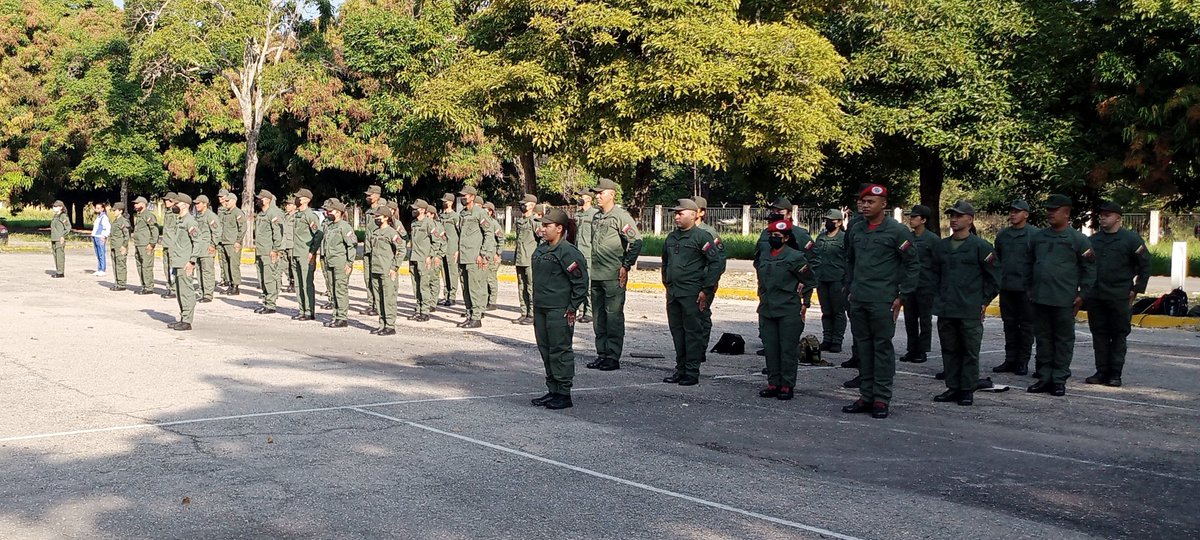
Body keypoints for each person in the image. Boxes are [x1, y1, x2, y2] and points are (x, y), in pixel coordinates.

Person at [841, 184, 920, 419]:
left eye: (870, 202)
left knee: (882, 349)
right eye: (862, 202)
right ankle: (866, 395)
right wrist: (850, 288)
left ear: (883, 204)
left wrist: (901, 294)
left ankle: (881, 399)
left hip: (883, 300)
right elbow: (851, 262)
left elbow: (912, 264)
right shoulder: (856, 230)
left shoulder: (897, 232)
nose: (865, 206)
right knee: (863, 350)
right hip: (860, 298)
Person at [930, 201, 1000, 406]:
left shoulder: (980, 247)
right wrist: (937, 298)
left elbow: (994, 278)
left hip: (969, 308)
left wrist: (983, 301)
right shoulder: (942, 246)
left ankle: (967, 389)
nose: (954, 219)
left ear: (970, 220)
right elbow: (934, 275)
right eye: (952, 215)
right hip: (947, 307)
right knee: (949, 349)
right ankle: (953, 387)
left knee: (969, 351)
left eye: (959, 216)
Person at [1026, 194, 1096, 396]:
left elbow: (1090, 269)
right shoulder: (1038, 237)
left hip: (1064, 299)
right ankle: (1044, 376)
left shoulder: (1078, 240)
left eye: (1054, 210)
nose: (1049, 213)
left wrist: (1083, 294)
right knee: (1043, 339)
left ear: (1066, 213)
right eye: (1048, 209)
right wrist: (1029, 287)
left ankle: (1058, 379)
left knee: (1063, 340)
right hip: (1040, 297)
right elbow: (1028, 263)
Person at [529, 207, 590, 410]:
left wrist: (572, 307)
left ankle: (564, 393)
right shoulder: (542, 249)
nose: (543, 229)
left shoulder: (567, 252)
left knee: (560, 350)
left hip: (559, 310)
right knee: (545, 350)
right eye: (542, 225)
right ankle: (552, 389)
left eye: (547, 226)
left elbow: (580, 283)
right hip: (541, 308)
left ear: (559, 228)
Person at [1085, 201, 1150, 387]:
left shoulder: (1131, 240)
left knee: (1118, 334)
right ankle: (1101, 371)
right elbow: (1085, 266)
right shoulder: (1093, 240)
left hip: (1119, 295)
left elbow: (1145, 264)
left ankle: (1115, 374)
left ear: (1118, 218)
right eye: (1101, 215)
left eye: (1107, 215)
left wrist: (1136, 289)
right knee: (1099, 334)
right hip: (1097, 295)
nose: (1103, 218)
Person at [660, 199, 726, 386]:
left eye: (681, 213)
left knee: (693, 332)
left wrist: (706, 288)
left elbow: (715, 262)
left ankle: (691, 371)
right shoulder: (671, 237)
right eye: (676, 213)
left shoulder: (701, 237)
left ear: (693, 214)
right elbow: (665, 261)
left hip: (692, 292)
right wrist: (666, 281)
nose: (677, 216)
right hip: (674, 292)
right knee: (677, 332)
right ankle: (680, 369)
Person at [585, 178, 643, 371]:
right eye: (597, 193)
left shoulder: (620, 216)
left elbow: (636, 241)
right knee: (598, 316)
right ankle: (601, 353)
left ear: (612, 194)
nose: (597, 196)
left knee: (613, 316)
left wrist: (626, 265)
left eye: (601, 193)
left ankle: (613, 355)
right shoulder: (597, 216)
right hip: (597, 273)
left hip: (613, 274)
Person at [756, 220, 815, 400]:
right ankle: (773, 382)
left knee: (787, 349)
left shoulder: (795, 256)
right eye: (771, 236)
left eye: (778, 237)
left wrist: (804, 302)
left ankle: (787, 385)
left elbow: (809, 280)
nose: (773, 239)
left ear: (787, 238)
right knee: (771, 347)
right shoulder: (765, 254)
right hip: (767, 308)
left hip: (788, 308)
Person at [753, 197, 815, 359]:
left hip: (789, 292)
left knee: (787, 335)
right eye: (773, 211)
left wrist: (804, 288)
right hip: (768, 289)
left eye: (779, 212)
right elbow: (758, 258)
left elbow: (813, 262)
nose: (775, 214)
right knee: (769, 330)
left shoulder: (799, 234)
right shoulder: (765, 234)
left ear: (789, 214)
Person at [992, 200, 1039, 375]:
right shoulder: (1003, 235)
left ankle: (1023, 361)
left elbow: (1037, 261)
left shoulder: (1034, 234)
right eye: (1011, 211)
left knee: (1026, 326)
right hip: (1006, 287)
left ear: (1026, 214)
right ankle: (1010, 359)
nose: (1013, 214)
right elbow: (998, 258)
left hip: (1026, 288)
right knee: (1009, 325)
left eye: (1017, 211)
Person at [901, 205, 939, 364]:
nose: (911, 219)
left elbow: (937, 263)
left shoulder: (932, 239)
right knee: (909, 318)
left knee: (924, 319)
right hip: (910, 284)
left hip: (925, 285)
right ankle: (912, 348)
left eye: (914, 217)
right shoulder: (908, 238)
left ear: (923, 220)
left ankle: (922, 350)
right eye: (910, 217)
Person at [691, 195, 727, 362]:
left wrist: (708, 284)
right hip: (688, 283)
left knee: (702, 315)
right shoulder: (685, 231)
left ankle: (700, 350)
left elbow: (718, 261)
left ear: (701, 212)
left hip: (704, 283)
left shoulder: (709, 233)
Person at [456, 185, 497, 328]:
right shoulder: (462, 214)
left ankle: (476, 317)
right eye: (461, 196)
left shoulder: (479, 213)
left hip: (475, 257)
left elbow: (489, 234)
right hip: (464, 256)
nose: (463, 198)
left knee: (475, 287)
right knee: (466, 288)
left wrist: (483, 254)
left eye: (465, 196)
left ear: (472, 197)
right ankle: (469, 314)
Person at [813, 209, 848, 353]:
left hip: (837, 280)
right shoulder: (821, 238)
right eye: (826, 220)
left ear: (839, 222)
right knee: (826, 311)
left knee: (838, 312)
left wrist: (847, 282)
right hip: (822, 279)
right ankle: (827, 339)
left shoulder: (844, 238)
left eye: (831, 220)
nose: (828, 223)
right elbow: (815, 259)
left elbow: (849, 260)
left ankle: (837, 341)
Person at [168, 194, 203, 331]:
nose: (174, 205)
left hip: (185, 263)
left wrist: (192, 261)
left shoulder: (190, 222)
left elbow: (197, 242)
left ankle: (187, 321)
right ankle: (183, 318)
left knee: (186, 292)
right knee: (178, 292)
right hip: (177, 261)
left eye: (177, 203)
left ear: (185, 205)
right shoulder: (180, 221)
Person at [321, 200, 356, 328]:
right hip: (329, 262)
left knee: (340, 290)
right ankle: (335, 316)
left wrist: (349, 262)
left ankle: (342, 317)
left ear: (338, 212)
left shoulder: (344, 226)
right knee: (333, 290)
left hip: (341, 263)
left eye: (330, 211)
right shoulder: (330, 226)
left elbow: (352, 245)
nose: (327, 213)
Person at [366, 208, 402, 335]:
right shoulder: (375, 232)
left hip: (387, 270)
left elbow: (401, 249)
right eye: (375, 216)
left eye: (378, 216)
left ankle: (390, 325)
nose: (376, 218)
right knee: (378, 299)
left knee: (388, 298)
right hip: (375, 269)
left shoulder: (392, 233)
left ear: (386, 217)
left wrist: (394, 267)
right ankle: (382, 324)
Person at [407, 199, 443, 322]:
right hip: (414, 258)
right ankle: (418, 310)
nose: (413, 210)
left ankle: (425, 311)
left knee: (424, 286)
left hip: (424, 259)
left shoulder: (429, 223)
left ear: (422, 210)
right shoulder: (413, 223)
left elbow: (437, 241)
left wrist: (430, 255)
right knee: (416, 286)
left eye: (415, 209)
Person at [254, 190, 287, 315]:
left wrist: (275, 249)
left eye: (260, 198)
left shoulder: (273, 213)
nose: (258, 200)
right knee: (262, 279)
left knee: (269, 278)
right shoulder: (262, 214)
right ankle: (266, 302)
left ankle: (271, 304)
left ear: (267, 200)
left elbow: (278, 233)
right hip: (260, 251)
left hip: (269, 252)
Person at [291, 189, 322, 321]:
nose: (297, 200)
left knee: (306, 283)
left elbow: (318, 234)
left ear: (307, 200)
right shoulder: (297, 215)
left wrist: (312, 251)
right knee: (298, 283)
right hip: (295, 252)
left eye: (300, 198)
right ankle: (302, 309)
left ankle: (309, 311)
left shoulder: (310, 215)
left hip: (305, 253)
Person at [514, 194, 540, 324]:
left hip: (530, 259)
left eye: (525, 204)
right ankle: (524, 312)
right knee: (521, 286)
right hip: (520, 258)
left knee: (531, 287)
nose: (522, 206)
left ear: (532, 205)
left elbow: (542, 239)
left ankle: (532, 313)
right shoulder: (520, 221)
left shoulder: (534, 222)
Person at [361, 185, 386, 316]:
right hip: (368, 249)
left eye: (370, 195)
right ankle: (371, 304)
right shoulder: (369, 211)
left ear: (377, 195)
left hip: (378, 250)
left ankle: (378, 305)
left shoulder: (382, 211)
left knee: (377, 279)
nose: (368, 197)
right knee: (368, 278)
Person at [574, 190, 598, 323]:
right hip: (578, 252)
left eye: (582, 197)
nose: (579, 199)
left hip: (589, 253)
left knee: (588, 283)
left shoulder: (595, 214)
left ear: (589, 199)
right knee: (579, 282)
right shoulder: (578, 214)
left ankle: (589, 311)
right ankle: (581, 309)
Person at [217, 190, 247, 295]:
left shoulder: (237, 213)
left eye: (227, 201)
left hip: (232, 243)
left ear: (234, 201)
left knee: (233, 264)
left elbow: (242, 228)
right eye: (225, 201)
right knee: (226, 264)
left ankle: (235, 286)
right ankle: (229, 283)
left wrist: (238, 241)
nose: (225, 202)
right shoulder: (225, 213)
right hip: (224, 241)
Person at [193, 195, 222, 303]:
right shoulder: (198, 216)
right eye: (195, 204)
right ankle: (202, 292)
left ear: (205, 204)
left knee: (207, 271)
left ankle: (208, 294)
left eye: (198, 203)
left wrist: (213, 244)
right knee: (199, 271)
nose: (196, 205)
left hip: (207, 248)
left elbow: (217, 231)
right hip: (198, 248)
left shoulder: (210, 216)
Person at [131, 196, 159, 294]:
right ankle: (143, 285)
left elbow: (154, 230)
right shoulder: (139, 215)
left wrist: (152, 243)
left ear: (143, 204)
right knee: (140, 265)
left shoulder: (148, 215)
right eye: (135, 203)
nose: (135, 205)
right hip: (138, 244)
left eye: (137, 203)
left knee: (147, 266)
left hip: (146, 244)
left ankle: (149, 287)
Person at [439, 193, 461, 306]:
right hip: (442, 248)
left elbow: (460, 233)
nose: (444, 203)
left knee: (452, 272)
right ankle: (446, 294)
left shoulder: (455, 216)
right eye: (443, 201)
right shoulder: (441, 216)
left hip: (452, 248)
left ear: (451, 202)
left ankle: (452, 296)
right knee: (444, 272)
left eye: (446, 201)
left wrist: (458, 249)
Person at [483, 201, 503, 310]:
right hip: (485, 256)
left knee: (491, 279)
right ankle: (485, 300)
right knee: (484, 279)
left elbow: (501, 238)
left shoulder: (494, 224)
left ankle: (492, 302)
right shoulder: (483, 222)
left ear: (490, 212)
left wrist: (498, 253)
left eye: (486, 210)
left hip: (492, 255)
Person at [108, 202, 131, 291]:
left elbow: (126, 235)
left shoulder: (123, 221)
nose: (114, 212)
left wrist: (124, 246)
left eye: (115, 210)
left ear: (120, 211)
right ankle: (117, 282)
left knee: (121, 265)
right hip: (114, 245)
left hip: (120, 246)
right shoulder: (116, 221)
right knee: (115, 265)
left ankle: (121, 284)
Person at [160, 193, 177, 298]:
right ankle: (169, 287)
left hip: (173, 244)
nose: (166, 202)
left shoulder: (176, 213)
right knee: (166, 267)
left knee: (172, 267)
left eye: (169, 200)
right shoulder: (167, 212)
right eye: (165, 200)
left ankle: (174, 288)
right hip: (166, 243)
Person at [49, 200, 70, 278]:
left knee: (60, 255)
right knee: (55, 255)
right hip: (54, 237)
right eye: (54, 206)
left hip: (59, 238)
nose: (54, 208)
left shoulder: (63, 216)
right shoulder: (55, 216)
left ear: (61, 207)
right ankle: (58, 270)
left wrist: (63, 236)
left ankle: (60, 272)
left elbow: (68, 227)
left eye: (56, 206)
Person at [281, 197, 297, 294]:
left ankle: (294, 284)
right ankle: (290, 282)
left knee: (293, 266)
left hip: (293, 245)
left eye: (289, 204)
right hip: (285, 244)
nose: (287, 206)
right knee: (285, 265)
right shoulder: (284, 216)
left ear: (295, 206)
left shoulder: (297, 217)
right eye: (286, 205)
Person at [90, 202, 110, 277]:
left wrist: (104, 236)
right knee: (98, 253)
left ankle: (102, 269)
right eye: (96, 208)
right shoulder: (98, 217)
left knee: (101, 253)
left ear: (102, 209)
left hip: (100, 237)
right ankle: (99, 269)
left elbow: (107, 227)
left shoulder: (104, 217)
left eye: (98, 208)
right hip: (95, 236)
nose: (97, 209)